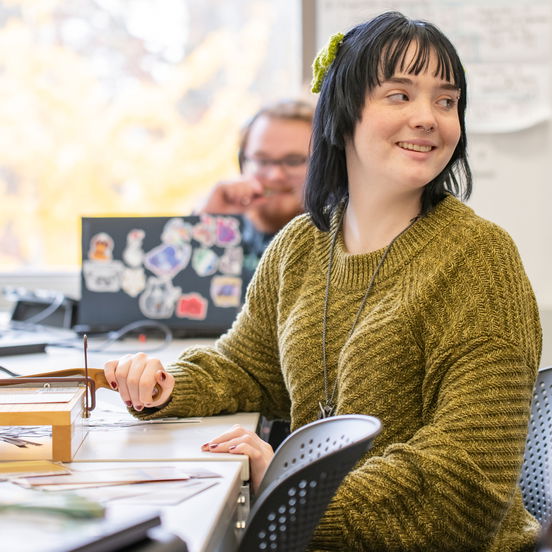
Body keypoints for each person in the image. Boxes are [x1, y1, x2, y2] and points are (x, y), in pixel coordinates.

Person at [104, 11, 542, 551]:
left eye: (446, 100)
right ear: (342, 113)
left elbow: (465, 480)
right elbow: (248, 369)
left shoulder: (478, 259)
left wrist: (297, 488)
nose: (429, 117)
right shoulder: (300, 244)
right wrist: (167, 386)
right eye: (400, 95)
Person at [195, 99, 314, 284]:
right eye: (262, 161)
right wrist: (203, 226)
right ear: (243, 164)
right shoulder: (225, 224)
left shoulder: (343, 243)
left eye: (294, 160)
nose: (276, 175)